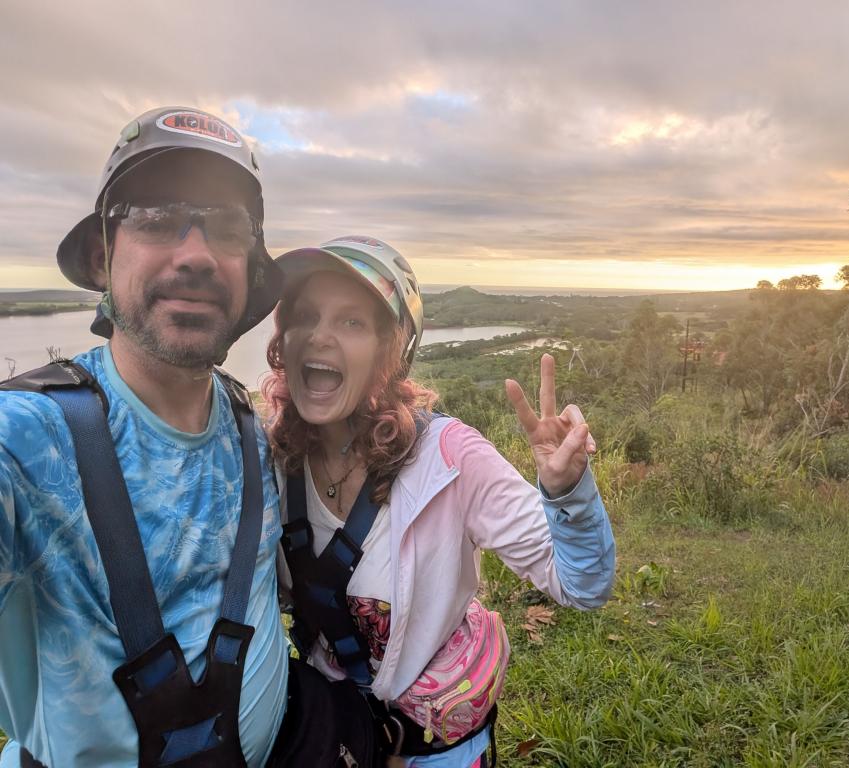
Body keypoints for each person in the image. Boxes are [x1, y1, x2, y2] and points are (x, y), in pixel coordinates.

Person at [0, 107, 290, 767]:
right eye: (157, 221)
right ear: (104, 256)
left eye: (226, 228)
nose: (195, 255)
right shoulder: (25, 442)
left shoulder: (254, 435)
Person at [262, 236, 616, 766]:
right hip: (335, 733)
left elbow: (581, 585)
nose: (319, 336)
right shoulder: (271, 460)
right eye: (305, 316)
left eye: (351, 322)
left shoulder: (449, 458)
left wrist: (568, 493)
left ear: (391, 349)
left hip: (437, 743)